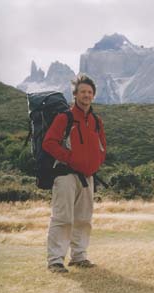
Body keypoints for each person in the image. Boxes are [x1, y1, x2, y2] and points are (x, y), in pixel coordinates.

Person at [43, 74, 106, 273]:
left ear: (93, 95)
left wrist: (96, 163)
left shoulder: (96, 121)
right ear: (75, 95)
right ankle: (55, 261)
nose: (86, 95)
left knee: (84, 219)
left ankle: (79, 257)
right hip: (65, 175)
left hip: (88, 177)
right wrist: (70, 158)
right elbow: (48, 143)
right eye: (82, 92)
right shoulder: (65, 118)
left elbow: (102, 146)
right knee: (62, 218)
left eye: (89, 92)